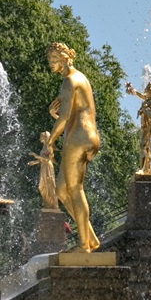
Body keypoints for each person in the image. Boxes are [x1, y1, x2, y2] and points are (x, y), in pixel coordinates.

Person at [37, 42, 102, 252]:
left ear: (65, 59)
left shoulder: (68, 81)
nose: (50, 64)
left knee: (75, 189)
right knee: (62, 190)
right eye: (49, 60)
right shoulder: (81, 77)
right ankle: (90, 238)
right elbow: (74, 113)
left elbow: (65, 117)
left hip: (78, 138)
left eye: (54, 59)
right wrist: (54, 117)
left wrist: (49, 142)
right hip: (86, 135)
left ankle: (84, 246)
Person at [125, 75, 151, 175]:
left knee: (144, 146)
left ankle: (144, 168)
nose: (145, 90)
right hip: (144, 126)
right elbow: (140, 95)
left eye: (147, 89)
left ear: (150, 91)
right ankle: (146, 168)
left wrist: (144, 110)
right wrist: (131, 89)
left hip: (148, 128)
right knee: (144, 146)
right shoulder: (147, 98)